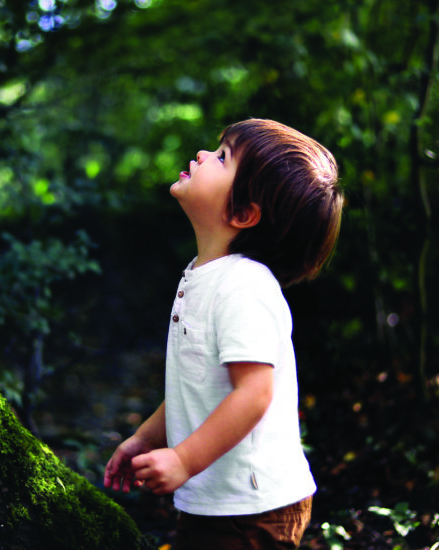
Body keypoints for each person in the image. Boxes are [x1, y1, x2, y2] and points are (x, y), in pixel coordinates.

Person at [103, 119, 343, 550]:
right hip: (220, 503)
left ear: (243, 213)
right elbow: (195, 386)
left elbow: (254, 394)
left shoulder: (243, 287)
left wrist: (182, 459)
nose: (202, 154)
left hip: (251, 511)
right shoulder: (205, 275)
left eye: (222, 157)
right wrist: (146, 438)